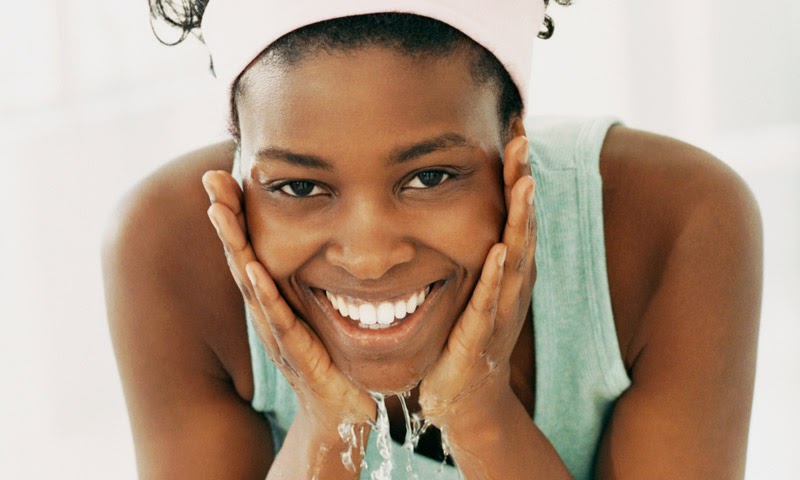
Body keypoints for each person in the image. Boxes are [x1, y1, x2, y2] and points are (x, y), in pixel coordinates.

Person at [102, 1, 763, 478]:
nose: (368, 257)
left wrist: (477, 410)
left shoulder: (676, 225)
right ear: (241, 157)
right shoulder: (170, 253)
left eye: (429, 177)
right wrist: (327, 427)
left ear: (514, 146)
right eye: (300, 187)